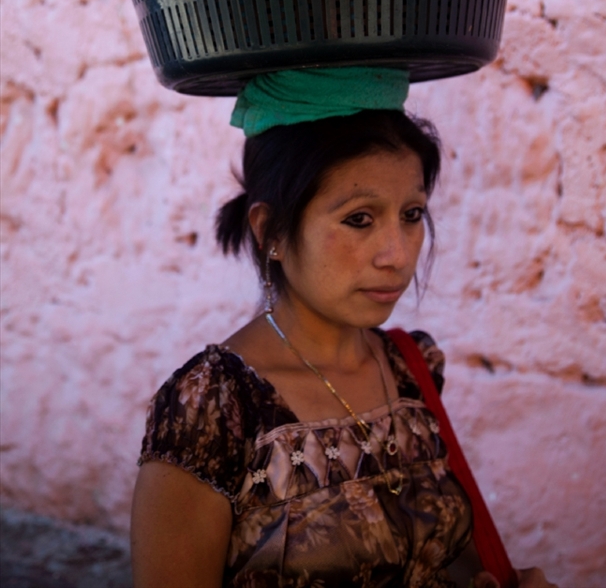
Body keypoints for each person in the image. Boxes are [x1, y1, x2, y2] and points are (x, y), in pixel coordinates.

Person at [130, 68, 557, 588]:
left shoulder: (410, 368)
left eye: (412, 213)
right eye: (359, 219)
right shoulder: (214, 407)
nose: (397, 255)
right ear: (272, 232)